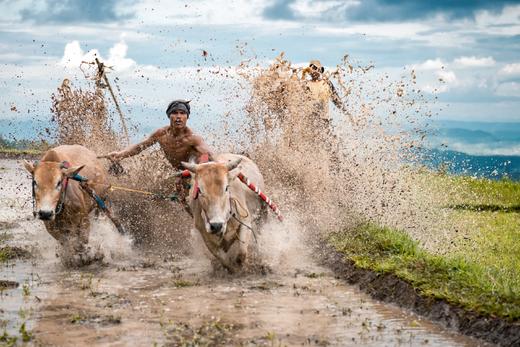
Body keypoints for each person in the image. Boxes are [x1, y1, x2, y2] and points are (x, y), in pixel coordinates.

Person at [101, 99, 213, 206]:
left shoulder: (193, 138)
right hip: (175, 170)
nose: (178, 117)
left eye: (182, 113)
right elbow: (140, 146)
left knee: (185, 185)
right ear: (169, 115)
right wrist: (120, 154)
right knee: (157, 193)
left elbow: (210, 155)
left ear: (187, 117)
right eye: (174, 113)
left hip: (192, 170)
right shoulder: (161, 134)